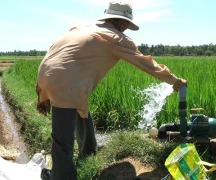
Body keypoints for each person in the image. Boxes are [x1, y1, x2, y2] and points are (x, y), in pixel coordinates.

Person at [36, 1, 187, 180]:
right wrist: (174, 80)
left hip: (45, 75)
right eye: (126, 26)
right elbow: (147, 63)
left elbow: (54, 58)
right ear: (122, 22)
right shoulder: (116, 38)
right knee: (62, 144)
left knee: (80, 110)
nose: (126, 30)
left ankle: (88, 157)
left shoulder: (80, 28)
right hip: (66, 83)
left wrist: (42, 93)